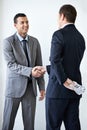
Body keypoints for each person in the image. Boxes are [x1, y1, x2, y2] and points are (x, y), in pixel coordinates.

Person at [2, 13, 46, 130]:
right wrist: (31, 71)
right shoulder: (8, 42)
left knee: (29, 126)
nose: (25, 25)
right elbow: (11, 64)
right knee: (7, 124)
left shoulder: (35, 42)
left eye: (27, 22)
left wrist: (42, 87)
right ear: (15, 25)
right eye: (22, 23)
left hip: (30, 90)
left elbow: (39, 66)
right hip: (13, 89)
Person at [46, 4, 85, 130]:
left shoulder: (58, 34)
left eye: (58, 17)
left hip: (58, 91)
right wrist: (46, 69)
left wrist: (63, 80)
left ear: (62, 16)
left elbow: (56, 60)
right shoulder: (81, 38)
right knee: (73, 126)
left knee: (53, 127)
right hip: (74, 91)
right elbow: (68, 63)